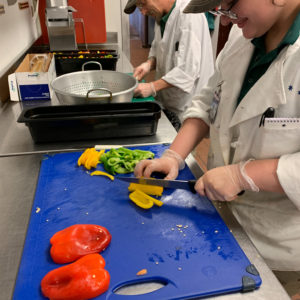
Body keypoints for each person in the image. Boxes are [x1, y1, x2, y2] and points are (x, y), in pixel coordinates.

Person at [135, 0, 300, 297]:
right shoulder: (242, 36)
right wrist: (174, 155)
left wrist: (243, 176)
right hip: (224, 221)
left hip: (279, 244)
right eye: (220, 10)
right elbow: (207, 102)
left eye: (231, 4)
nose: (224, 22)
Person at [124, 0, 215, 130]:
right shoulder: (161, 17)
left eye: (143, 4)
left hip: (187, 103)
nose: (143, 12)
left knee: (182, 145)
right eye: (139, 7)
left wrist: (152, 87)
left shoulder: (189, 15)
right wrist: (148, 64)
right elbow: (160, 49)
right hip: (168, 99)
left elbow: (187, 70)